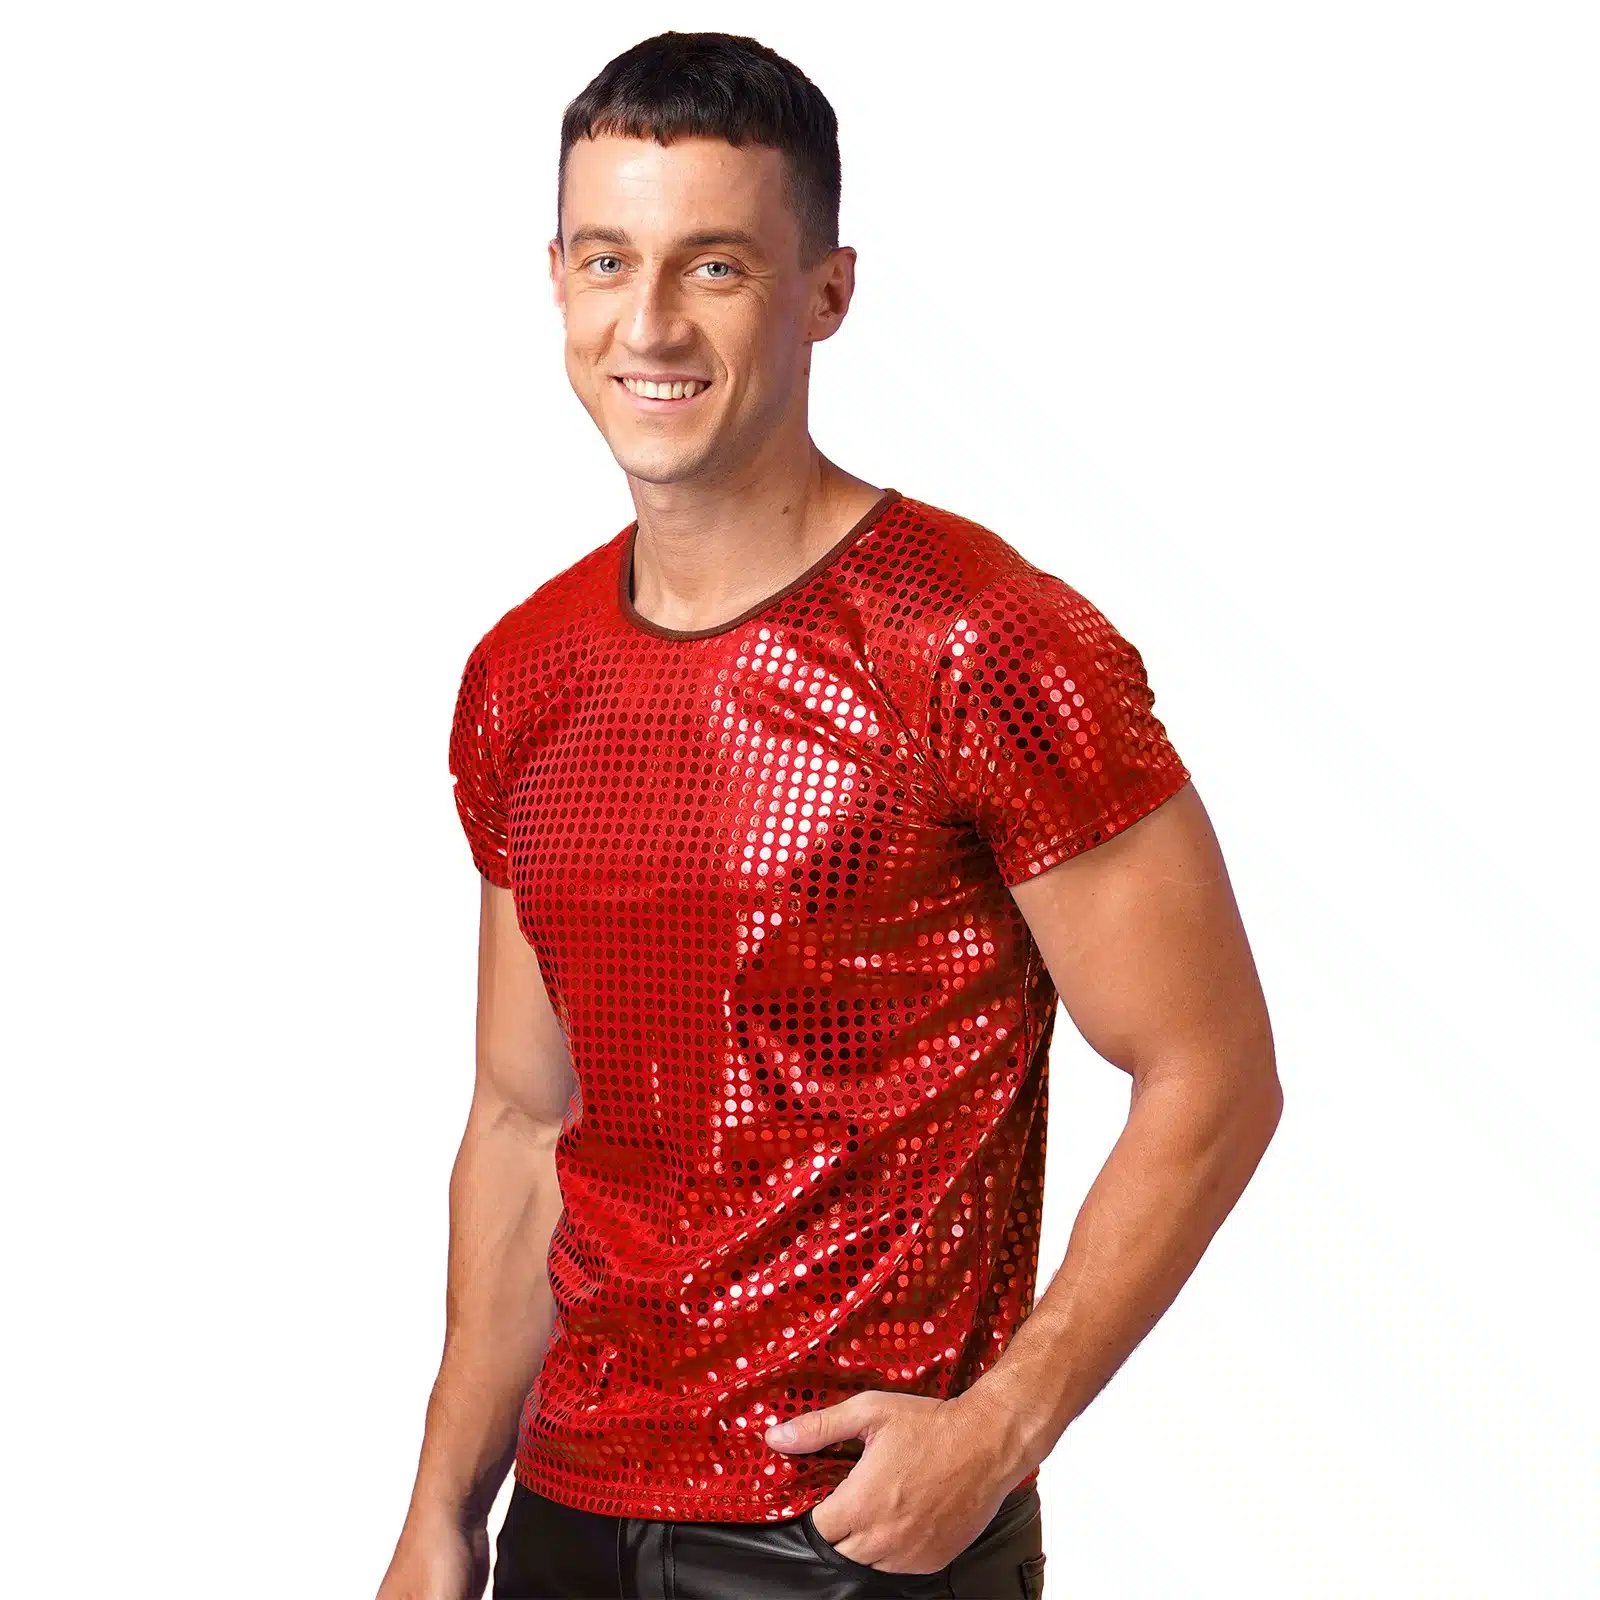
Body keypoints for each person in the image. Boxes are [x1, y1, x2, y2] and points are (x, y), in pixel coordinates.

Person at [377, 29, 1280, 1600]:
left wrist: (1000, 1431)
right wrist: (441, 1516)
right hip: (567, 1522)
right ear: (558, 279)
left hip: (855, 1539)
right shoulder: (524, 673)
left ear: (827, 293)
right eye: (608, 259)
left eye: (715, 266)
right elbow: (524, 1122)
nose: (650, 323)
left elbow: (1212, 1072)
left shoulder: (980, 641)